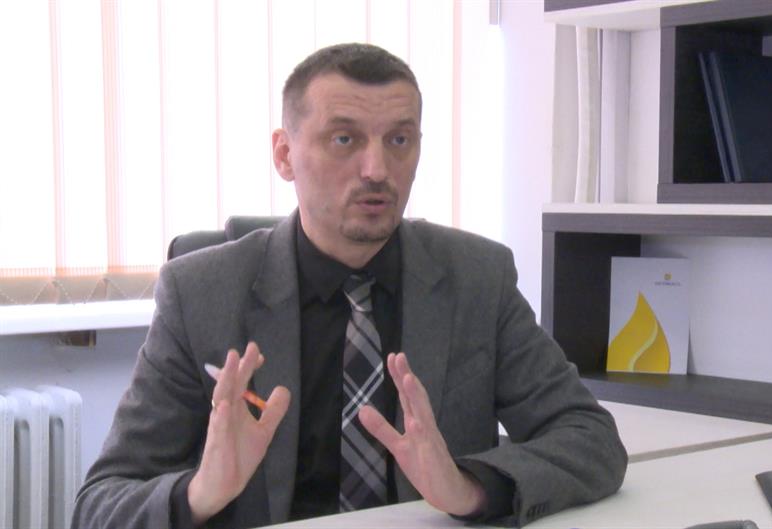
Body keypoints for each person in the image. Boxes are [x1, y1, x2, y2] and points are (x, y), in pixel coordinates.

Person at [72, 42, 627, 529]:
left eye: (399, 140)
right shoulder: (199, 294)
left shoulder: (477, 278)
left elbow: (591, 437)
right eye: (344, 139)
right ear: (285, 155)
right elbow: (99, 505)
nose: (377, 169)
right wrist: (200, 492)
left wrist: (468, 487)